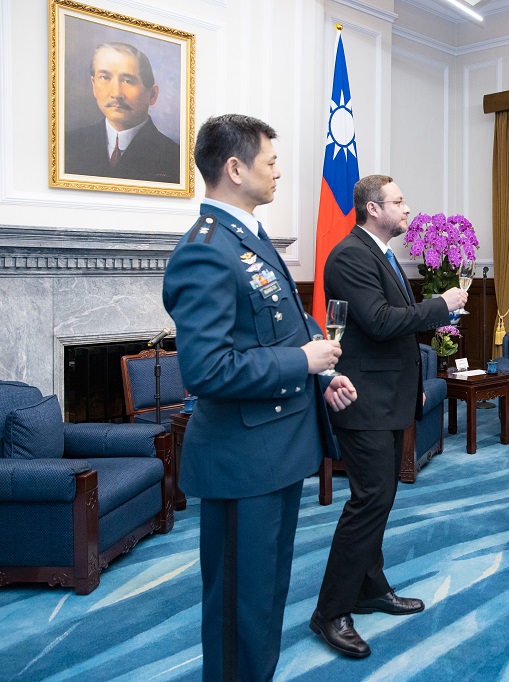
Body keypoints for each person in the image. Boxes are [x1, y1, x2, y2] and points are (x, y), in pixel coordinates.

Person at [163, 114, 357, 680]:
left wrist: (320, 373)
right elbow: (206, 370)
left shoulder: (246, 236)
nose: (278, 172)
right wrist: (302, 362)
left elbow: (278, 329)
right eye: (270, 162)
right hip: (242, 461)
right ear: (235, 168)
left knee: (267, 596)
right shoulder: (205, 250)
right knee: (239, 611)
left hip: (276, 451)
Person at [311, 174, 468, 658]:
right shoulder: (349, 255)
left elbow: (392, 331)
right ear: (373, 209)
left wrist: (413, 383)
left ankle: (370, 588)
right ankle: (330, 611)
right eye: (399, 201)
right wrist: (439, 306)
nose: (407, 209)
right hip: (363, 401)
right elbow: (379, 323)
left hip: (387, 396)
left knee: (380, 498)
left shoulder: (382, 254)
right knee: (370, 501)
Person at [64, 42, 180, 183]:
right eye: (105, 77)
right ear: (94, 85)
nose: (116, 93)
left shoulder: (175, 157)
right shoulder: (68, 144)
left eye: (128, 81)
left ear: (152, 95)